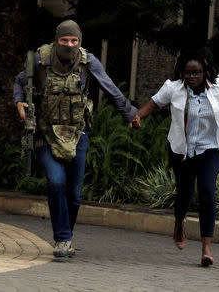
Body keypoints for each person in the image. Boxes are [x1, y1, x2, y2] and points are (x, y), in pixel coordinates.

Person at [13, 20, 137, 257]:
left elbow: (110, 88)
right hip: (45, 133)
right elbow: (20, 81)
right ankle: (62, 239)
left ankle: (65, 235)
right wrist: (19, 101)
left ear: (79, 41)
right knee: (56, 181)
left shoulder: (87, 62)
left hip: (78, 133)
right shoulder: (41, 60)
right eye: (64, 40)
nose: (69, 45)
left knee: (75, 194)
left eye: (73, 41)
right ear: (56, 40)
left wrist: (130, 114)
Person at [131, 49, 219, 267]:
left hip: (211, 147)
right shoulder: (173, 88)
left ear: (206, 71)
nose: (192, 77)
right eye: (187, 73)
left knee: (207, 191)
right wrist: (138, 117)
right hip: (182, 149)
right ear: (181, 73)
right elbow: (154, 103)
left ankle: (206, 248)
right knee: (184, 193)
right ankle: (178, 221)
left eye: (196, 73)